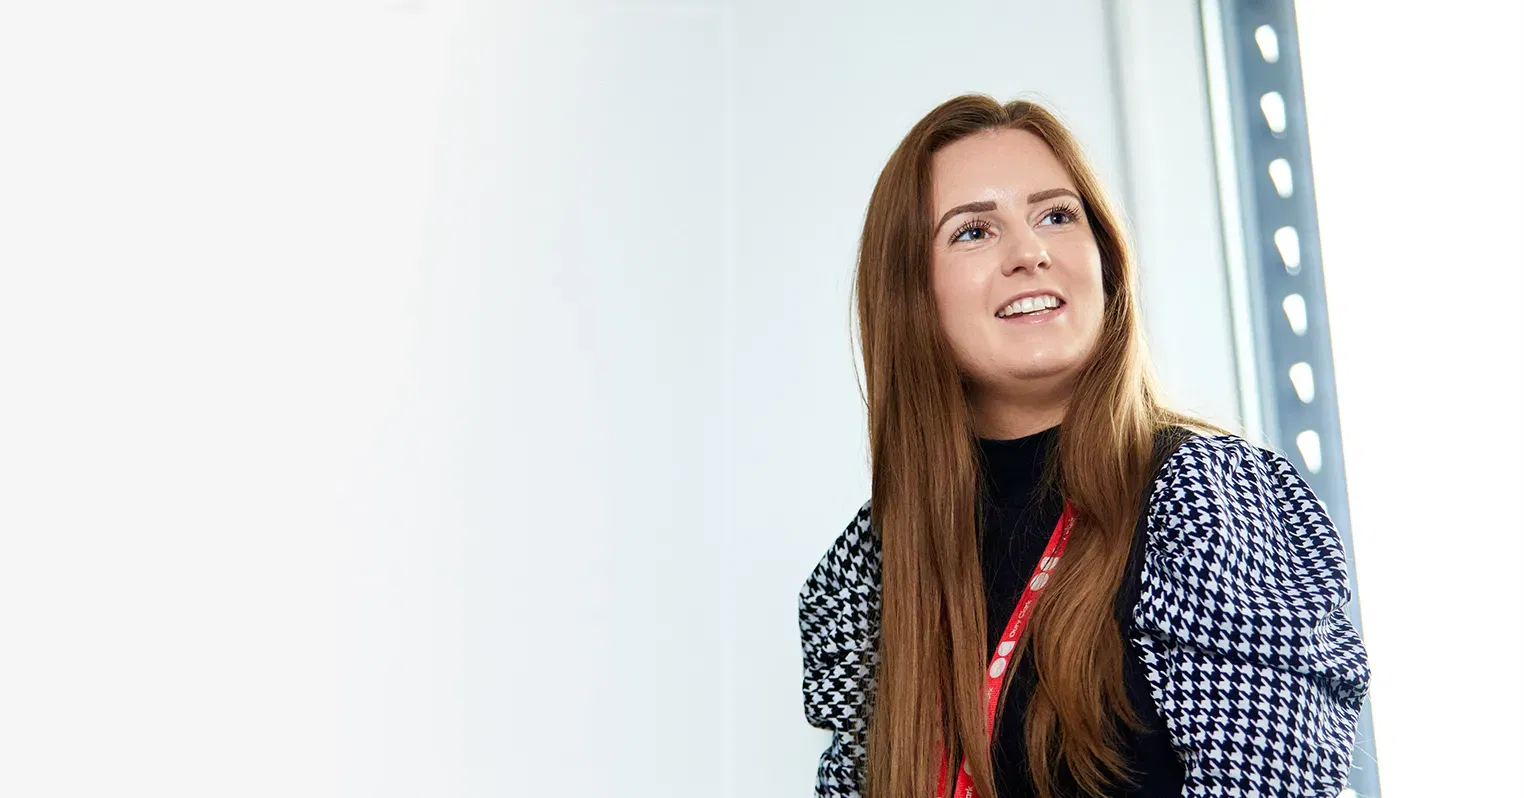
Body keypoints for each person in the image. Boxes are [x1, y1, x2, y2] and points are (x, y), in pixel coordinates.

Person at [797, 94, 1370, 798]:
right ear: (911, 291)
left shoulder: (1204, 494)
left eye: (1056, 216)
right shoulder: (873, 566)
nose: (1029, 252)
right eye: (974, 232)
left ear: (1103, 257)